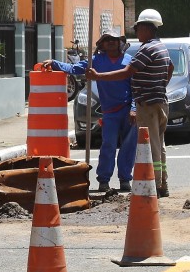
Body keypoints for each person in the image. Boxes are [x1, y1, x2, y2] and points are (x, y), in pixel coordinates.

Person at [86, 9, 174, 198]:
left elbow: (128, 72)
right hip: (159, 101)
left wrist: (99, 76)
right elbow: (170, 67)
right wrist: (160, 86)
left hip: (148, 105)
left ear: (146, 28)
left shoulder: (147, 49)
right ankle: (163, 182)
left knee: (152, 146)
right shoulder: (161, 47)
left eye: (138, 28)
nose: (136, 32)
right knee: (160, 144)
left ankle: (156, 185)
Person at [42, 30, 137, 194]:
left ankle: (125, 179)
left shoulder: (129, 61)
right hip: (109, 112)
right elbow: (73, 68)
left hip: (127, 110)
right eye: (107, 40)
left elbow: (136, 87)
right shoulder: (96, 61)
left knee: (128, 147)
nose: (111, 42)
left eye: (114, 39)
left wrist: (134, 108)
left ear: (120, 42)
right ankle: (104, 180)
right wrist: (55, 63)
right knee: (108, 145)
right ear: (102, 44)